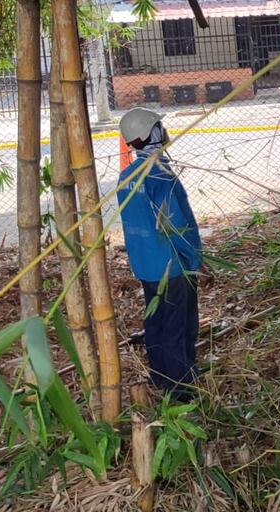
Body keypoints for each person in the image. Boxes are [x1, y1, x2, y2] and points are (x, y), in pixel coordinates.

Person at [117, 107, 202, 402]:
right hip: (174, 265)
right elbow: (178, 224)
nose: (165, 131)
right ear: (152, 133)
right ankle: (181, 387)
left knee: (156, 321)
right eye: (160, 126)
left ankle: (160, 375)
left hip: (146, 265)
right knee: (179, 324)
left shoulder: (126, 177)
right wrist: (194, 259)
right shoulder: (162, 176)